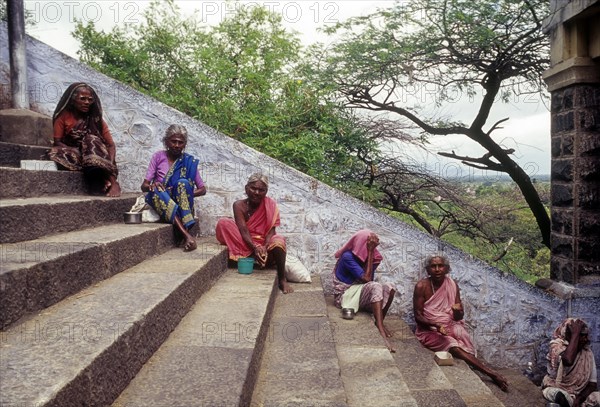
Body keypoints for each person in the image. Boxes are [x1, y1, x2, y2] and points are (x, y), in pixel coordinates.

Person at [413, 254, 509, 392]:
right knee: (451, 344)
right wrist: (436, 325)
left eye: (441, 266)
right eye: (433, 266)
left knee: (462, 334)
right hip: (428, 330)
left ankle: (471, 361)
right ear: (428, 270)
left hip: (449, 324)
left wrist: (458, 311)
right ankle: (491, 373)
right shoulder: (421, 286)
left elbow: (458, 317)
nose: (438, 269)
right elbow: (418, 316)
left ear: (447, 269)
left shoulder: (452, 284)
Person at [215, 173, 293, 294]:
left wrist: (264, 248)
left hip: (264, 246)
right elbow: (242, 229)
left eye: (261, 190)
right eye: (253, 188)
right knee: (224, 223)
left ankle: (282, 279)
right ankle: (251, 256)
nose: (256, 192)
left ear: (266, 191)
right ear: (246, 188)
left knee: (278, 239)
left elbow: (271, 232)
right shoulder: (238, 205)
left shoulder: (271, 205)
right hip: (246, 242)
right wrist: (254, 247)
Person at [47, 82, 121, 197]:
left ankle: (112, 181)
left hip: (97, 155)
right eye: (82, 99)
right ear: (73, 100)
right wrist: (79, 153)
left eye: (90, 99)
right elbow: (58, 142)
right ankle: (101, 180)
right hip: (76, 154)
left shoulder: (96, 119)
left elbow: (111, 145)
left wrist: (110, 166)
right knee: (55, 152)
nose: (87, 102)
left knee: (90, 140)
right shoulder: (63, 116)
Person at [141, 124, 206, 252]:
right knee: (157, 191)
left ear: (184, 144)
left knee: (183, 183)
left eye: (180, 142)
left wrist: (184, 193)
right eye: (173, 141)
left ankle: (184, 231)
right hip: (161, 199)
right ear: (166, 142)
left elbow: (202, 189)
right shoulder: (158, 156)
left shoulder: (188, 161)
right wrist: (152, 186)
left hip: (182, 202)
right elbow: (144, 186)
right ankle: (187, 235)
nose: (176, 145)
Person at [332, 229, 397, 353]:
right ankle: (381, 332)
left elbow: (369, 280)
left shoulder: (369, 257)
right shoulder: (347, 257)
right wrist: (371, 251)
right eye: (367, 245)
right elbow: (368, 280)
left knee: (390, 287)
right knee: (375, 286)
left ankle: (380, 322)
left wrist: (370, 256)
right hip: (345, 296)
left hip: (359, 293)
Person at [542, 318, 600, 407]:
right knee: (558, 395)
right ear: (568, 335)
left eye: (585, 335)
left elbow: (592, 384)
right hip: (557, 388)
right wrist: (575, 334)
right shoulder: (556, 346)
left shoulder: (587, 353)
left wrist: (579, 398)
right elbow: (568, 360)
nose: (585, 339)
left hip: (579, 395)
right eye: (580, 335)